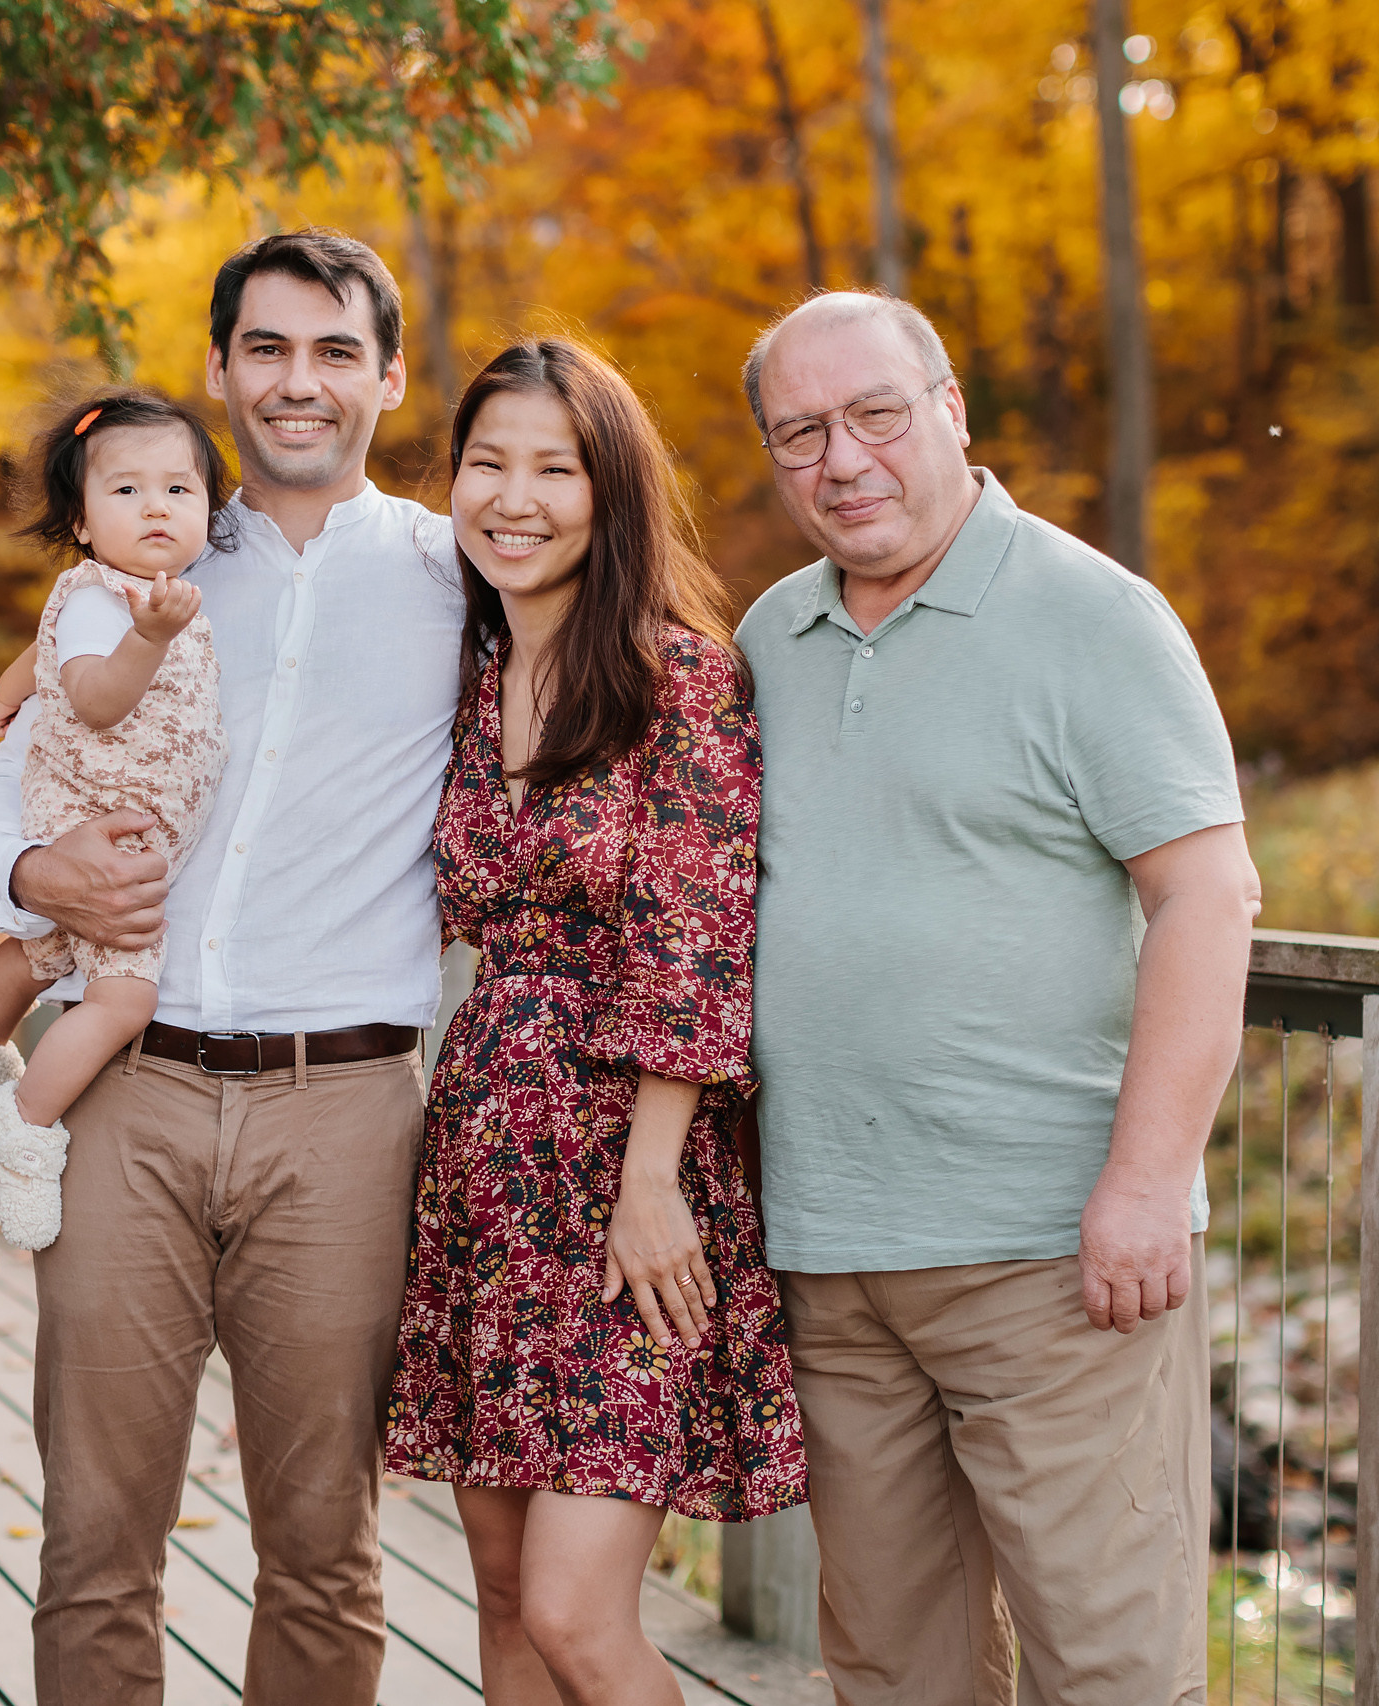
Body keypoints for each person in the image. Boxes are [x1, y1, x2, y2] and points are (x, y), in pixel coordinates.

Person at [733, 289, 1262, 1704]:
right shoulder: (769, 637)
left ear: (952, 411)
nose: (843, 460)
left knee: (1110, 1667)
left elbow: (1207, 899)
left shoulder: (1095, 614)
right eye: (802, 434)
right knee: (893, 1668)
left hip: (1049, 1255)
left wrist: (1149, 1180)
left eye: (875, 416)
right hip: (829, 1253)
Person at [0, 229, 464, 1705]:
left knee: (325, 1542)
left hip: (348, 1106)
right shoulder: (138, 551)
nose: (296, 383)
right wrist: (31, 871)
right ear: (221, 368)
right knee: (95, 1535)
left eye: (331, 351)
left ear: (387, 375)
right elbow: (19, 761)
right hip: (132, 1087)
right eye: (267, 348)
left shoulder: (458, 577)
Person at [383, 338, 807, 1705]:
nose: (513, 496)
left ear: (607, 491)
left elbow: (695, 937)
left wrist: (651, 1181)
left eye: (552, 468)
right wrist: (54, 668)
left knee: (576, 1612)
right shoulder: (461, 675)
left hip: (628, 1178)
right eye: (486, 464)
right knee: (503, 1599)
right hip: (481, 1176)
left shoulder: (679, 680)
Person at [0, 389, 235, 1249]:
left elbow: (54, 658)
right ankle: (20, 1123)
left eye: (179, 491)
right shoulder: (120, 606)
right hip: (102, 827)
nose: (157, 508)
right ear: (80, 520)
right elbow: (101, 697)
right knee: (123, 995)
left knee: (43, 949)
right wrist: (148, 640)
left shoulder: (131, 595)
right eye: (127, 491)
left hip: (109, 816)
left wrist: (15, 678)